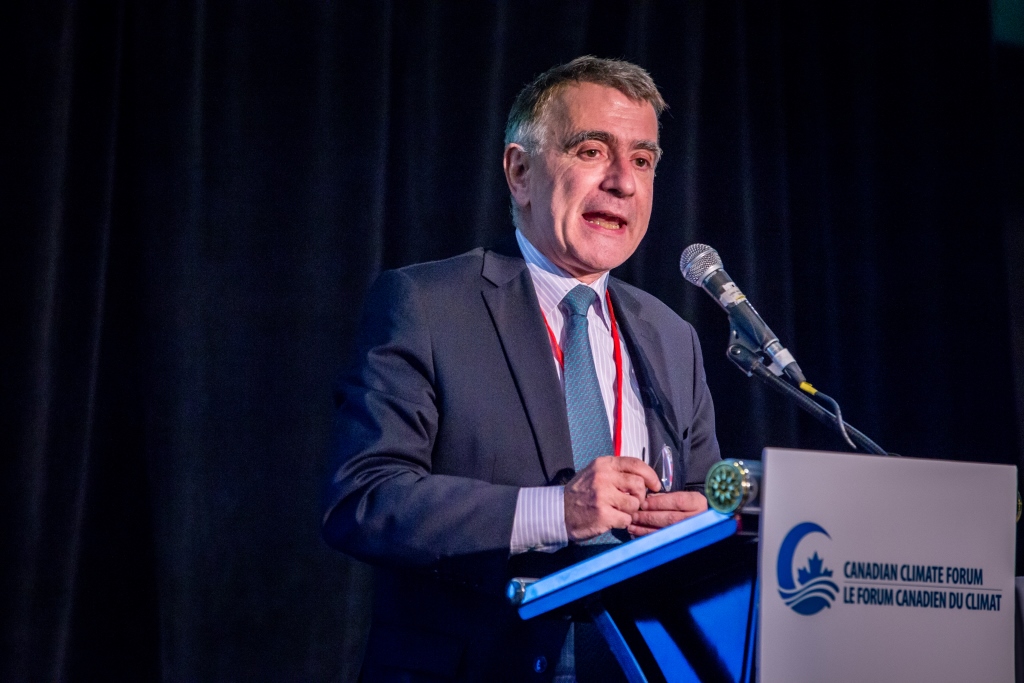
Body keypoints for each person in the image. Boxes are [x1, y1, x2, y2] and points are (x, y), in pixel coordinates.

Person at [323, 56, 721, 682]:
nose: (623, 182)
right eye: (592, 151)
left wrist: (699, 524)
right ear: (520, 172)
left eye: (643, 160)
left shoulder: (673, 338)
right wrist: (558, 510)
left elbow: (699, 507)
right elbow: (364, 499)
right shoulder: (428, 305)